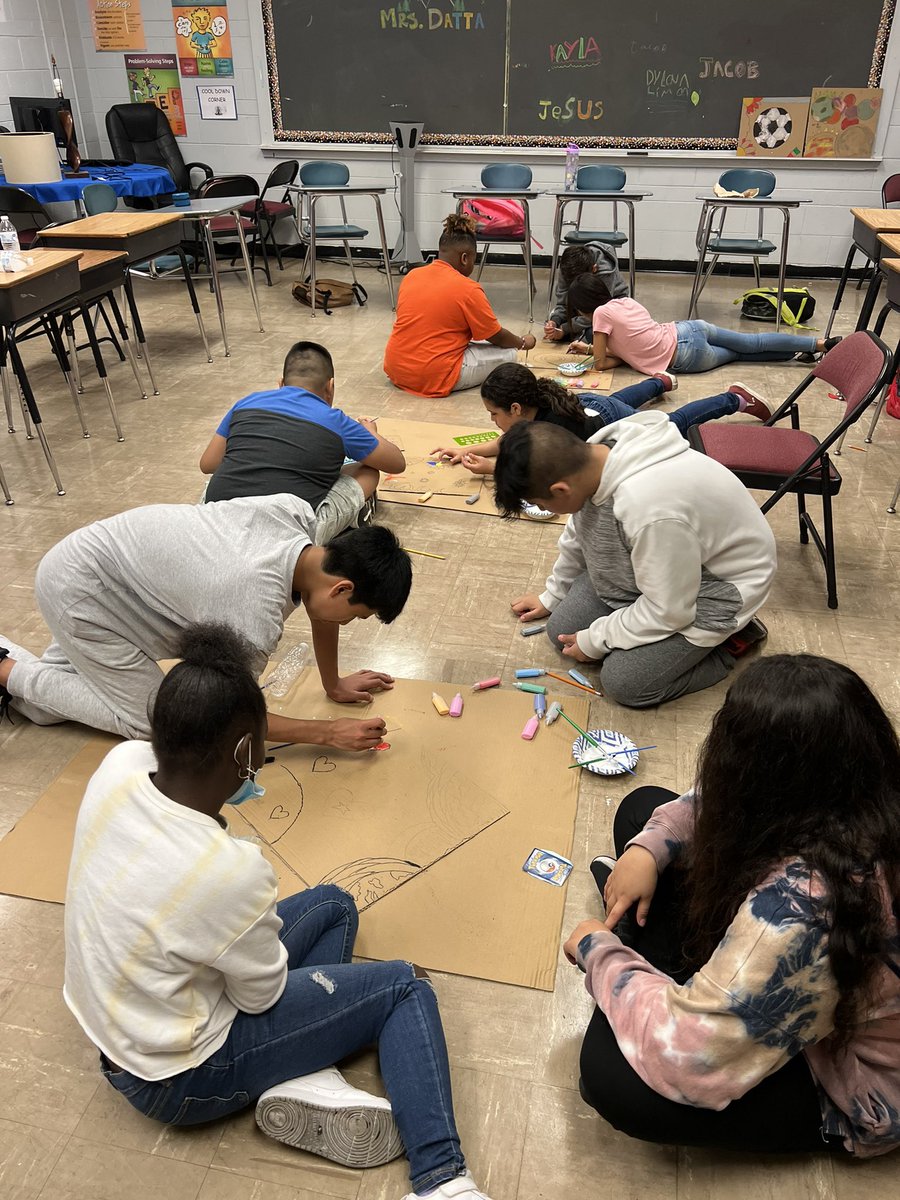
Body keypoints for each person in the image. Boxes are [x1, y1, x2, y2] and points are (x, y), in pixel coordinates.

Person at [63, 622, 494, 1200]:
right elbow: (259, 997)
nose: (266, 754)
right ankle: (442, 1182)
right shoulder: (227, 871)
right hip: (178, 1078)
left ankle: (307, 1072)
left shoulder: (120, 765)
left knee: (335, 904)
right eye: (263, 741)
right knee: (405, 988)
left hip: (125, 1033)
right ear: (244, 750)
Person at [564, 654, 900, 1158]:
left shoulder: (800, 913)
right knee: (644, 815)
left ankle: (640, 948)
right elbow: (706, 803)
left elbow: (689, 1061)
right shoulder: (871, 790)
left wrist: (598, 950)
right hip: (823, 977)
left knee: (611, 1078)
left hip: (854, 1079)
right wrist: (645, 849)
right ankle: (649, 942)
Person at [0, 501, 411, 752]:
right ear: (342, 588)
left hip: (112, 565)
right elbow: (226, 715)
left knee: (43, 709)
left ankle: (15, 674)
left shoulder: (297, 517)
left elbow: (323, 606)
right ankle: (3, 668)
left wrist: (333, 682)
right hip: (83, 593)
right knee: (159, 722)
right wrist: (327, 733)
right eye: (358, 615)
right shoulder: (251, 614)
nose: (349, 622)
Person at [494, 418, 776, 707]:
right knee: (561, 630)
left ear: (561, 490)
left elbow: (670, 611)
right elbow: (578, 536)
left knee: (625, 682)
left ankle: (729, 646)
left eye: (542, 504)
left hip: (718, 589)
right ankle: (632, 620)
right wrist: (552, 594)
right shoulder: (590, 460)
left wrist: (596, 639)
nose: (544, 510)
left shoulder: (650, 509)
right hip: (660, 567)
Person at [199, 341, 406, 542]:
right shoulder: (336, 421)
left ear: (281, 384)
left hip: (214, 519)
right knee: (368, 471)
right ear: (330, 387)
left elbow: (208, 464)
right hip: (287, 537)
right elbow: (396, 463)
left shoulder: (246, 403)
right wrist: (371, 433)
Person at [430, 362, 771, 474]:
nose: (492, 420)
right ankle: (659, 381)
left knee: (673, 423)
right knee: (618, 401)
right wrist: (467, 452)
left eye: (494, 413)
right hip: (591, 406)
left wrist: (491, 468)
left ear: (516, 409)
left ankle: (733, 398)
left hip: (609, 424)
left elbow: (541, 468)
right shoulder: (533, 409)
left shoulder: (553, 430)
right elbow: (507, 439)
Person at [383, 213, 536, 397]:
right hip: (434, 376)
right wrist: (522, 342)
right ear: (465, 258)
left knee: (475, 337)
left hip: (397, 369)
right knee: (510, 353)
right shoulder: (468, 288)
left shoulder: (412, 276)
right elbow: (496, 336)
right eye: (474, 259)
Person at [565, 273, 839, 375]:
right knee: (752, 343)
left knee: (743, 355)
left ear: (584, 305)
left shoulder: (600, 315)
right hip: (689, 328)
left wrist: (590, 351)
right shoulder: (624, 301)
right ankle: (819, 344)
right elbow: (633, 343)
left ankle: (799, 353)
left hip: (685, 356)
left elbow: (601, 363)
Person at [544, 242, 627, 342]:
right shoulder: (566, 268)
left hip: (607, 308)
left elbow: (600, 312)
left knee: (594, 334)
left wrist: (565, 329)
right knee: (557, 326)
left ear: (594, 269)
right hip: (584, 309)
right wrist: (555, 321)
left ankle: (581, 334)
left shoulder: (605, 272)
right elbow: (562, 303)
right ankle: (577, 332)